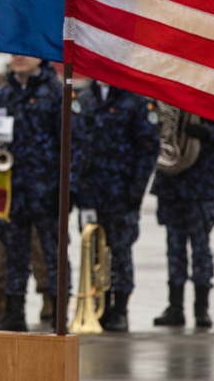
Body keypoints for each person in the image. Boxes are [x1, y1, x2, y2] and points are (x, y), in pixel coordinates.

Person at [70, 81, 160, 332]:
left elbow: (148, 149)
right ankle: (97, 305)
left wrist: (136, 190)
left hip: (121, 192)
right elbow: (74, 145)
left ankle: (120, 308)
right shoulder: (84, 99)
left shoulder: (136, 100)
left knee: (120, 251)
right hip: (90, 192)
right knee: (93, 252)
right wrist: (74, 187)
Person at [0, 54, 64, 332]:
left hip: (47, 190)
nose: (17, 57)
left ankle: (58, 311)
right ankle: (14, 311)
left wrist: (69, 190)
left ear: (40, 58)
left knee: (52, 253)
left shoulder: (57, 93)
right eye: (13, 53)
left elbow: (73, 145)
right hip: (10, 190)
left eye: (24, 52)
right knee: (12, 253)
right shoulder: (1, 95)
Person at [151, 112, 214, 328]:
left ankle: (201, 309)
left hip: (202, 184)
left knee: (201, 248)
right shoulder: (169, 94)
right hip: (171, 183)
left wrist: (208, 132)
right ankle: (175, 307)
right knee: (174, 248)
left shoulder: (211, 96)